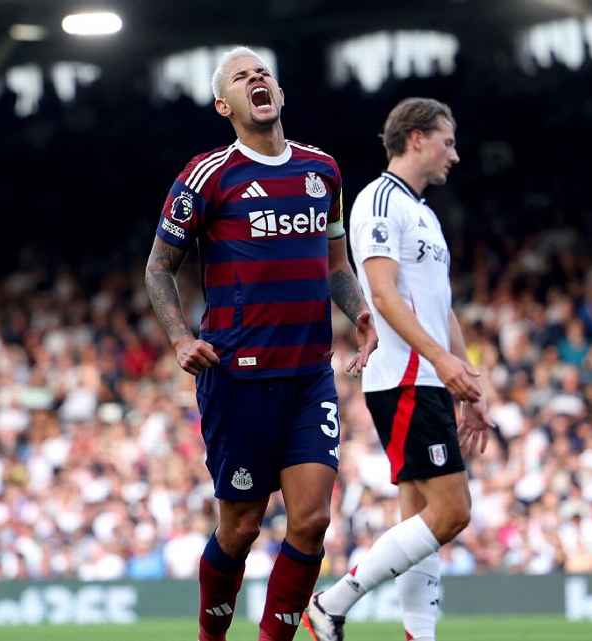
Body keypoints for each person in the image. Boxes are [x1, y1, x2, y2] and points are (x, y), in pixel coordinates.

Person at [144, 46, 378, 641]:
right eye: (242, 76)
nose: (258, 79)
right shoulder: (207, 176)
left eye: (264, 72)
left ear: (278, 93)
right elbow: (158, 267)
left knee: (312, 520)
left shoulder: (322, 170)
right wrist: (179, 337)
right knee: (241, 528)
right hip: (237, 377)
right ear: (225, 104)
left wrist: (359, 311)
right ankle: (211, 635)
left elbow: (335, 263)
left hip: (308, 375)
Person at [303, 97, 490, 641]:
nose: (454, 155)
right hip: (406, 376)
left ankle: (418, 635)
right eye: (447, 141)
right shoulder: (378, 202)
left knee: (420, 521)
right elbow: (382, 296)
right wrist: (439, 361)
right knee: (452, 512)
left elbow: (442, 307)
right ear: (415, 139)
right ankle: (332, 602)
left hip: (428, 376)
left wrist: (471, 384)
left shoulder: (425, 213)